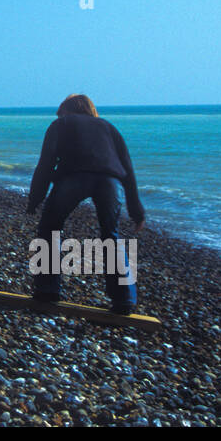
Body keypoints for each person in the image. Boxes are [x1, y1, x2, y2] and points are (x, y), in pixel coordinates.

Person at [26, 94, 145, 313]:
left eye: (60, 111)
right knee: (111, 234)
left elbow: (45, 163)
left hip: (74, 177)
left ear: (68, 110)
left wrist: (35, 198)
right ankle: (125, 300)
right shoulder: (109, 127)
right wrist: (137, 211)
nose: (59, 115)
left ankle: (47, 290)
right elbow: (128, 170)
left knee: (49, 229)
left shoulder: (60, 124)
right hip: (111, 181)